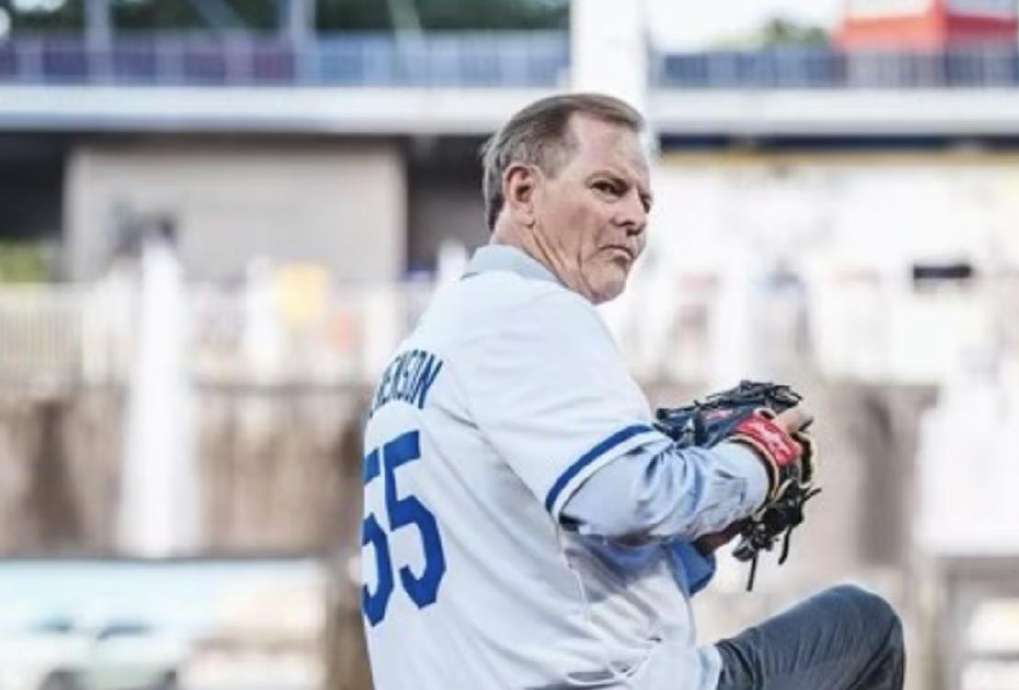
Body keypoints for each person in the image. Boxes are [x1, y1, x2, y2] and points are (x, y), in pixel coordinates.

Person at [360, 93, 905, 690]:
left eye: (644, 200)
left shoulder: (425, 345)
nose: (636, 217)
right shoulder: (533, 312)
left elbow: (538, 569)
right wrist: (754, 462)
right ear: (522, 193)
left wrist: (695, 543)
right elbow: (628, 500)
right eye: (608, 188)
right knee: (863, 625)